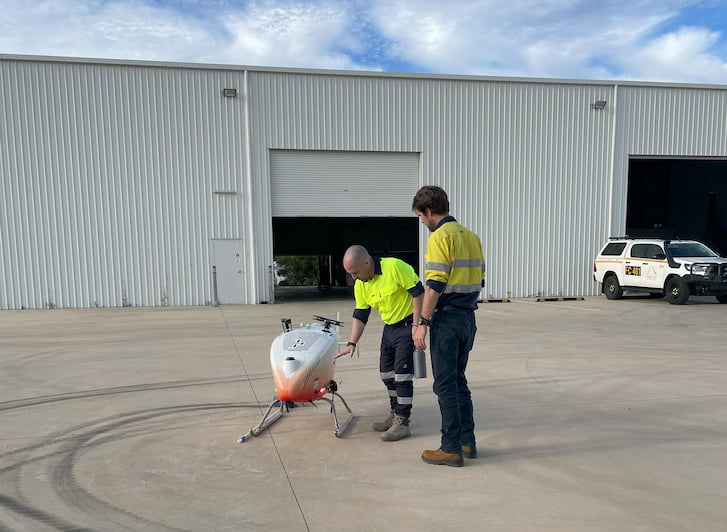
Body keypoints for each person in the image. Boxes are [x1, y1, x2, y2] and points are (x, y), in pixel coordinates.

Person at [411, 185, 485, 467]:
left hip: (447, 321)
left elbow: (435, 285)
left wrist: (422, 323)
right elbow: (481, 281)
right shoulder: (472, 237)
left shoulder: (440, 237)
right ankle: (468, 441)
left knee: (444, 386)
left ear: (429, 211)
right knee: (459, 382)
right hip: (468, 318)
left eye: (420, 215)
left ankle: (450, 447)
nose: (421, 221)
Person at [337, 245, 424, 441]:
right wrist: (352, 342)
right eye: (350, 274)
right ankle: (395, 413)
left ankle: (402, 422)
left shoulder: (394, 267)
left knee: (402, 376)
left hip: (408, 325)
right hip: (390, 328)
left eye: (355, 272)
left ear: (367, 262)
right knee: (387, 375)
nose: (354, 277)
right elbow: (361, 314)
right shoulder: (361, 284)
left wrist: (417, 325)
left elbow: (418, 293)